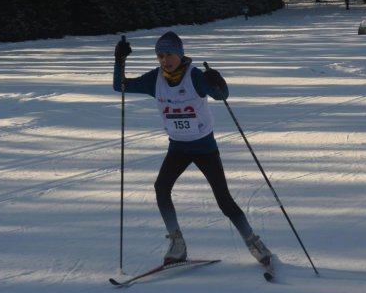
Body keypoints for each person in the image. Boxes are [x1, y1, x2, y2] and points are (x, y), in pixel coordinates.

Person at [113, 31, 271, 267]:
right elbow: (121, 86)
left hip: (204, 147)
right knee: (161, 188)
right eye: (160, 56)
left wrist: (218, 80)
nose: (165, 60)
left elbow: (221, 95)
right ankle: (177, 243)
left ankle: (253, 241)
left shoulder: (194, 77)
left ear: (180, 54)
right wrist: (119, 61)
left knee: (224, 200)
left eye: (169, 54)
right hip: (178, 148)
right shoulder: (154, 80)